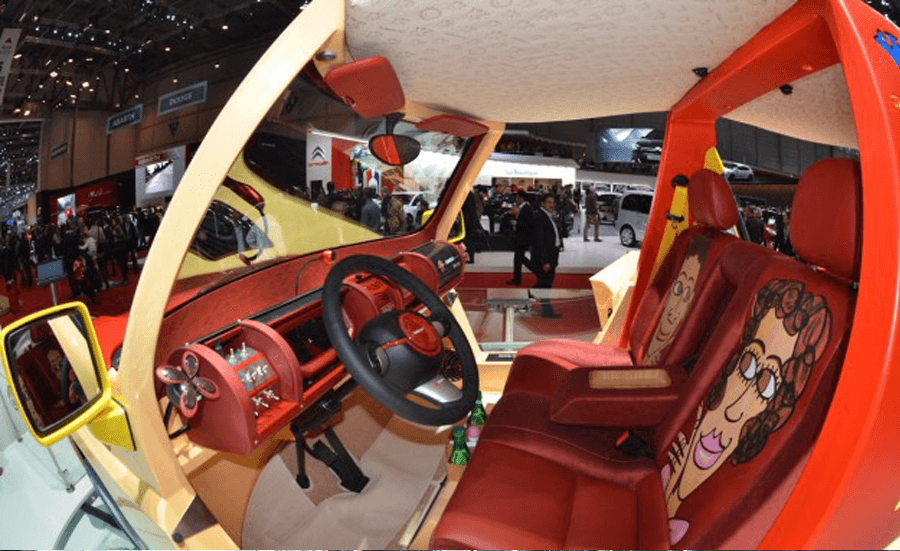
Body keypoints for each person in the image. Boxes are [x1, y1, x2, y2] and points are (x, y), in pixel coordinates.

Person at [531, 193, 562, 289]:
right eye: (549, 203)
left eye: (553, 203)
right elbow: (539, 240)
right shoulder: (539, 216)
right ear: (542, 204)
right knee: (545, 284)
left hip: (552, 253)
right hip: (546, 256)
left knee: (546, 282)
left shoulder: (549, 215)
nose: (551, 205)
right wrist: (545, 261)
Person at [507, 191, 535, 285]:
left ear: (521, 198)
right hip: (521, 237)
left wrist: (516, 223)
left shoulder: (526, 208)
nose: (516, 200)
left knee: (519, 258)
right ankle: (517, 279)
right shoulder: (523, 208)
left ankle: (536, 271)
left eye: (518, 198)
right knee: (519, 258)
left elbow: (527, 223)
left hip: (523, 238)